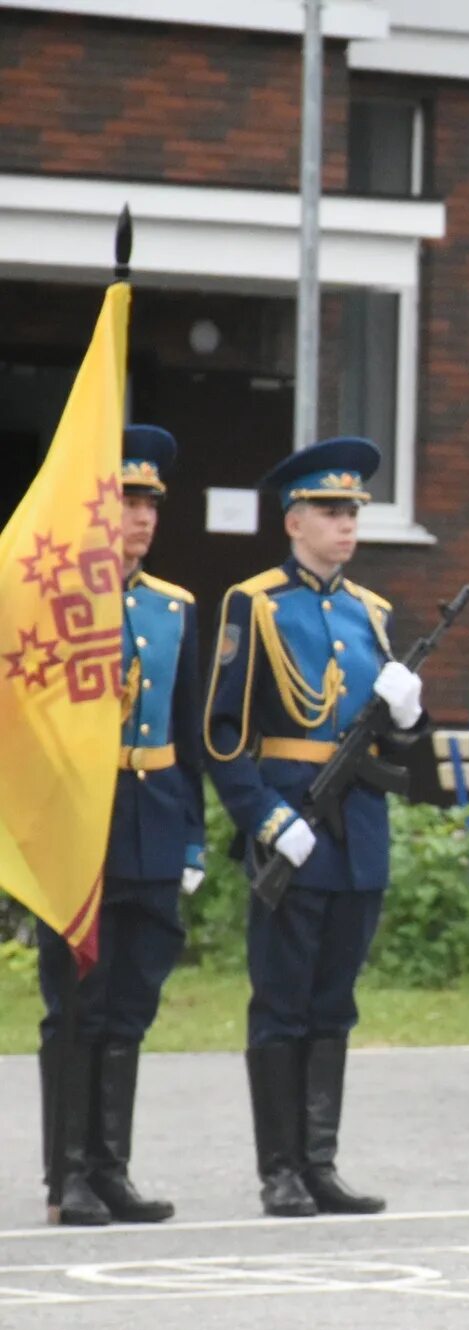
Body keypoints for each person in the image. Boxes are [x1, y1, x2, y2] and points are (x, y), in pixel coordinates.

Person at [205, 436, 424, 1215]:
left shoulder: (374, 613)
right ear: (294, 520)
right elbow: (223, 732)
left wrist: (408, 714)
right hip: (293, 826)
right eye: (331, 512)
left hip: (356, 830)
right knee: (283, 1000)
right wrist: (263, 816)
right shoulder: (255, 603)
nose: (346, 525)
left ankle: (320, 1159)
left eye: (353, 512)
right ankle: (280, 1169)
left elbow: (395, 743)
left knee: (334, 1002)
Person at [36, 426, 195, 1225]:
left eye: (150, 504)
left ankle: (110, 1166)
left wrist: (192, 839)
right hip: (80, 827)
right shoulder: (57, 606)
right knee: (77, 1005)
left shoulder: (175, 610)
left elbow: (191, 734)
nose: (140, 517)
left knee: (130, 1003)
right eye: (127, 501)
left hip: (152, 820)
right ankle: (66, 1173)